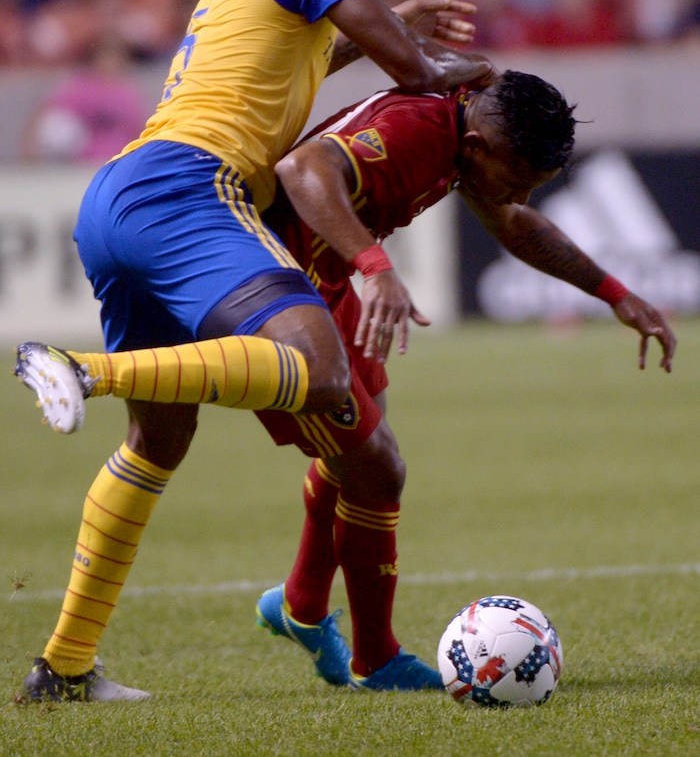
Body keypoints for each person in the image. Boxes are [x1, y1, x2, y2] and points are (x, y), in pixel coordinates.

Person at [15, 70, 676, 700]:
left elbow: (515, 224)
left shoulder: (461, 140)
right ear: (480, 147)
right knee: (377, 468)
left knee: (360, 440)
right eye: (520, 177)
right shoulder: (420, 130)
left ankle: (302, 604)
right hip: (277, 278)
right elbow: (302, 170)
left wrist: (614, 293)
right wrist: (376, 263)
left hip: (323, 278)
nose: (521, 194)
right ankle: (376, 657)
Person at [12, 0, 494, 702]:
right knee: (317, 367)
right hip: (190, 188)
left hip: (121, 195)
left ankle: (65, 668)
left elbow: (292, 67)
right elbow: (419, 77)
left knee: (158, 441)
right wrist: (483, 81)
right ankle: (81, 369)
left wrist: (390, 26)